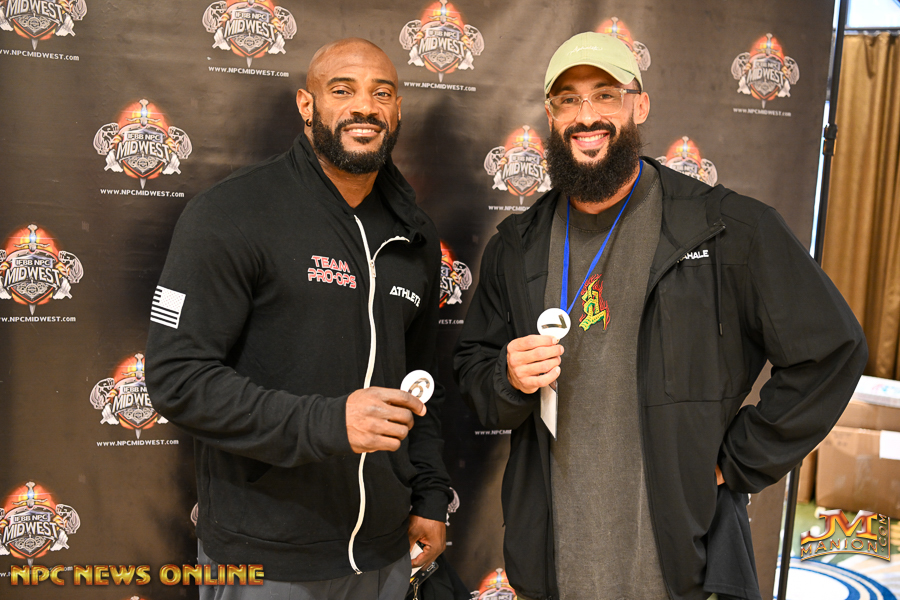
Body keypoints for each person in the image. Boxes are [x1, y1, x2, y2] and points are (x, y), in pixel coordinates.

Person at [453, 32, 867, 600]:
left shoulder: (727, 228)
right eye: (568, 100)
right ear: (550, 116)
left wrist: (738, 460)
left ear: (640, 105)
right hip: (552, 567)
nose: (586, 116)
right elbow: (475, 374)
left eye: (606, 95)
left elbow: (832, 349)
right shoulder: (516, 245)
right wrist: (506, 375)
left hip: (680, 565)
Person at [146, 38, 452, 599]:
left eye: (382, 93)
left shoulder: (415, 233)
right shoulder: (231, 213)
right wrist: (330, 423)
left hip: (383, 555)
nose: (364, 107)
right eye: (343, 90)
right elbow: (177, 379)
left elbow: (420, 382)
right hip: (267, 557)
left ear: (398, 110)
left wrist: (430, 495)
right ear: (307, 106)